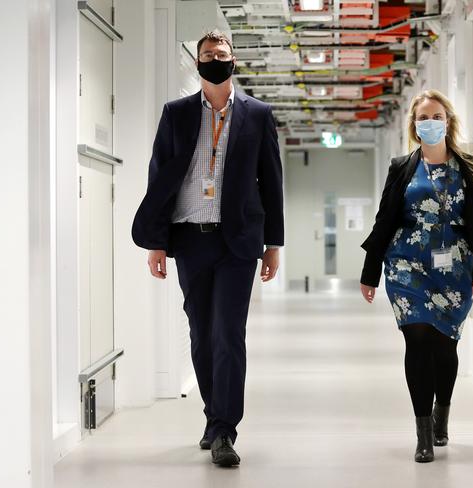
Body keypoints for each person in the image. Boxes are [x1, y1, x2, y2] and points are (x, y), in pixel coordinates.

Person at [132, 30, 284, 468]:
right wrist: (156, 242)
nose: (214, 59)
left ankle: (224, 430)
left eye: (221, 54)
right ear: (197, 63)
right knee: (200, 335)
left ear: (233, 61)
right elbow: (159, 179)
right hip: (189, 237)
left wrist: (273, 244)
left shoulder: (257, 114)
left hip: (237, 241)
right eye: (207, 55)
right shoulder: (176, 113)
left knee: (228, 333)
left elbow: (271, 183)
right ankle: (213, 414)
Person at [359, 89, 473, 463]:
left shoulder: (469, 165)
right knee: (417, 342)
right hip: (406, 265)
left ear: (447, 122)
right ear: (414, 125)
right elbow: (385, 218)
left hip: (454, 267)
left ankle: (442, 415)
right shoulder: (402, 166)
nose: (430, 123)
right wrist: (371, 272)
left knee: (444, 345)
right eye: (424, 117)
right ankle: (422, 434)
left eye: (437, 116)